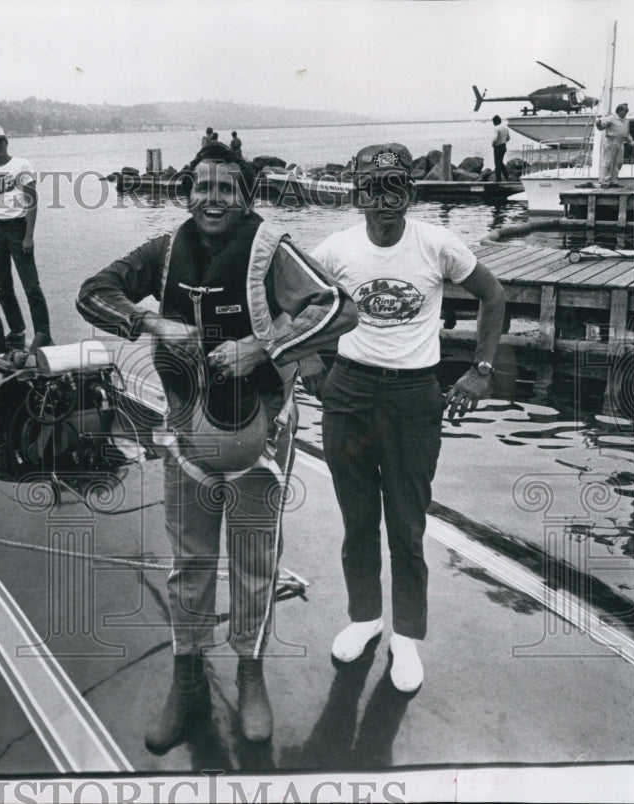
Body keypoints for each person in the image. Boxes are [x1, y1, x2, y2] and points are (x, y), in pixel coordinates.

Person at [76, 142, 356, 749]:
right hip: (184, 434)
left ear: (246, 197)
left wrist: (264, 346)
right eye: (202, 187)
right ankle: (188, 679)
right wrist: (151, 322)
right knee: (190, 562)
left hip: (261, 430)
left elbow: (339, 306)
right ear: (187, 193)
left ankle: (250, 675)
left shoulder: (269, 251)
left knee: (255, 561)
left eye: (227, 188)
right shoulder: (164, 250)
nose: (213, 199)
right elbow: (92, 292)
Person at [307, 143, 505, 693]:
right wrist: (304, 362)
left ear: (410, 192)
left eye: (395, 187)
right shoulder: (336, 249)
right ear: (357, 197)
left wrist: (481, 370)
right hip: (348, 390)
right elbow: (286, 297)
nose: (384, 201)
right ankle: (365, 618)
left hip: (417, 395)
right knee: (357, 518)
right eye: (372, 189)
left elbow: (494, 295)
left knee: (407, 523)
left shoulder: (437, 244)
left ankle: (406, 638)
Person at [0, 123, 50, 351]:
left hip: (18, 228)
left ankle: (43, 333)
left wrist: (29, 236)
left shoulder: (21, 165)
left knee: (31, 286)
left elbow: (32, 202)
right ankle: (16, 329)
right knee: (3, 286)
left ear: (6, 142)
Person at [595, 103, 634, 188]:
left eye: (627, 110)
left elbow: (626, 133)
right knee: (608, 162)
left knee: (618, 162)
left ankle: (614, 181)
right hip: (611, 141)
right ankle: (605, 182)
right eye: (625, 110)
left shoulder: (626, 121)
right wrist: (598, 124)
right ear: (619, 110)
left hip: (621, 142)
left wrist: (630, 142)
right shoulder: (611, 119)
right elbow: (602, 127)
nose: (626, 112)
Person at [491, 115, 510, 182]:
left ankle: (498, 179)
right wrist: (503, 141)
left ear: (495, 122)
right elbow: (508, 138)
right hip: (504, 146)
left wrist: (493, 144)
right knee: (500, 162)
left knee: (497, 163)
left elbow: (495, 138)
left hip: (498, 147)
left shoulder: (496, 128)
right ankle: (507, 176)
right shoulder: (505, 128)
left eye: (493, 122)